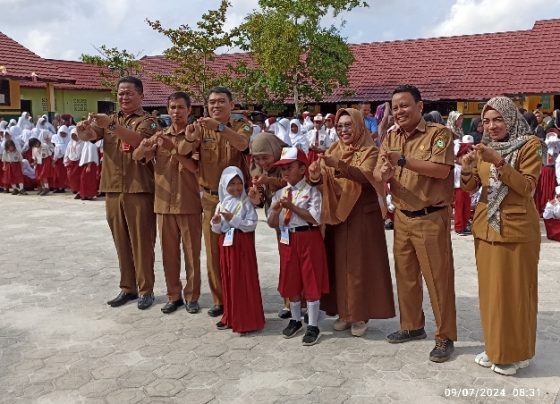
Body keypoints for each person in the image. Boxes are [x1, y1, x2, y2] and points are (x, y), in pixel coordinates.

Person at [460, 96, 545, 376]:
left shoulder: (530, 145)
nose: (491, 126)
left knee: (515, 295)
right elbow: (473, 188)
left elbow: (527, 187)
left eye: (497, 119)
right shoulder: (486, 147)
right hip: (486, 230)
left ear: (510, 118)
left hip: (517, 232)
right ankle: (497, 348)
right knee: (492, 295)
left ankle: (514, 354)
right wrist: (468, 167)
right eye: (486, 120)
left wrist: (498, 161)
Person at [374, 84, 457, 363]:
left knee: (438, 279)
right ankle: (411, 326)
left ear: (420, 107)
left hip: (431, 217)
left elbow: (441, 169)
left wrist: (404, 161)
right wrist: (383, 172)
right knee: (406, 276)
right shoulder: (391, 137)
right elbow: (378, 171)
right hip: (402, 217)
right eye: (395, 107)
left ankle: (444, 336)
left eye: (405, 105)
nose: (399, 111)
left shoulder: (439, 134)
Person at [309, 108, 395, 337]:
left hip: (361, 216)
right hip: (338, 214)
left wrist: (340, 165)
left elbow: (366, 176)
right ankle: (344, 312)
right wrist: (316, 175)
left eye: (348, 125)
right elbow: (324, 183)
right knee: (340, 263)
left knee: (359, 266)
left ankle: (360, 315)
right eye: (340, 126)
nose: (344, 130)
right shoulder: (334, 149)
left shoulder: (370, 151)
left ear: (359, 126)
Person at [76, 76, 159, 310]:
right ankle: (127, 288)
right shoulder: (110, 120)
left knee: (142, 242)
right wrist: (82, 131)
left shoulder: (149, 121)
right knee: (121, 241)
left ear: (141, 96)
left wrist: (110, 126)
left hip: (139, 189)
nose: (123, 97)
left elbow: (138, 141)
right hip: (113, 188)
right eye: (120, 93)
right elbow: (91, 136)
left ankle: (146, 289)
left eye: (129, 93)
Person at [181, 86, 252, 317]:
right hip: (211, 198)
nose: (216, 106)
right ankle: (219, 300)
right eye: (212, 102)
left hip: (238, 200)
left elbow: (242, 144)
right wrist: (190, 138)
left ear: (232, 105)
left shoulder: (242, 126)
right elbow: (182, 150)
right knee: (213, 251)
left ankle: (239, 296)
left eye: (221, 101)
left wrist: (220, 128)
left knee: (239, 249)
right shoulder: (202, 128)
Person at [132, 91, 202, 315]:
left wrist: (174, 150)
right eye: (172, 107)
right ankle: (174, 295)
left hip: (189, 202)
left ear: (189, 110)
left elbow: (195, 168)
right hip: (163, 204)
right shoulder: (160, 136)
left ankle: (192, 296)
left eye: (181, 107)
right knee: (169, 254)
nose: (176, 111)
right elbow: (137, 157)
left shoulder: (195, 135)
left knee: (192, 254)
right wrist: (144, 147)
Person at [267, 147, 328, 346]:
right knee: (290, 278)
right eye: (282, 168)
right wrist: (275, 212)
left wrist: (292, 207)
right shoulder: (280, 193)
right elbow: (271, 223)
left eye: (289, 167)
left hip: (308, 237)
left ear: (302, 169)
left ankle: (312, 324)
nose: (284, 172)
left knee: (310, 278)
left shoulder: (311, 192)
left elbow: (315, 218)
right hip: (288, 239)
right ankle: (295, 319)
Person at [211, 166, 265, 334]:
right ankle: (231, 316)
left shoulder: (246, 202)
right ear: (223, 186)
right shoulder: (221, 203)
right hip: (227, 246)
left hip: (242, 244)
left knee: (243, 279)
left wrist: (232, 219)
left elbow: (251, 224)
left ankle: (247, 319)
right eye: (231, 184)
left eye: (239, 183)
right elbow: (217, 230)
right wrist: (216, 221)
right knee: (228, 279)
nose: (235, 187)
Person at [247, 132, 291, 319]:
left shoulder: (289, 160)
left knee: (298, 259)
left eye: (265, 157)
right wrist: (256, 197)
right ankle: (289, 301)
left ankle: (307, 300)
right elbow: (261, 200)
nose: (262, 162)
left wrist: (270, 180)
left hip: (296, 218)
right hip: (278, 221)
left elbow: (292, 182)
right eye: (257, 158)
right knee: (286, 257)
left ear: (276, 151)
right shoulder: (257, 170)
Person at [453, 140, 474, 235]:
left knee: (467, 208)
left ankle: (465, 225)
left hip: (467, 189)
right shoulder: (455, 168)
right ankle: (459, 227)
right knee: (459, 208)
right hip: (458, 190)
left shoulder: (469, 167)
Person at [33, 129, 55, 195]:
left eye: (36, 143)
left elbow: (50, 154)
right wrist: (35, 162)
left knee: (44, 175)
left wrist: (53, 161)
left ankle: (46, 188)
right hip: (39, 163)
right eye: (34, 145)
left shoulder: (44, 145)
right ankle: (42, 188)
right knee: (39, 176)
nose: (36, 145)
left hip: (45, 161)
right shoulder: (34, 149)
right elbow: (34, 157)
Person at [64, 128, 84, 198]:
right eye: (72, 135)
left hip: (80, 162)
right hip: (71, 162)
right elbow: (67, 152)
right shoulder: (70, 142)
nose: (74, 137)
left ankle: (80, 191)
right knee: (71, 176)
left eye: (75, 135)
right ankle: (75, 189)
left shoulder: (83, 142)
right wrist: (65, 161)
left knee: (79, 177)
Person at [52, 125, 70, 193]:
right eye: (61, 133)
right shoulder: (58, 142)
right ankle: (58, 187)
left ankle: (61, 187)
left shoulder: (68, 142)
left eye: (64, 133)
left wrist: (54, 160)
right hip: (59, 161)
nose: (62, 134)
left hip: (63, 160)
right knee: (58, 174)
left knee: (61, 175)